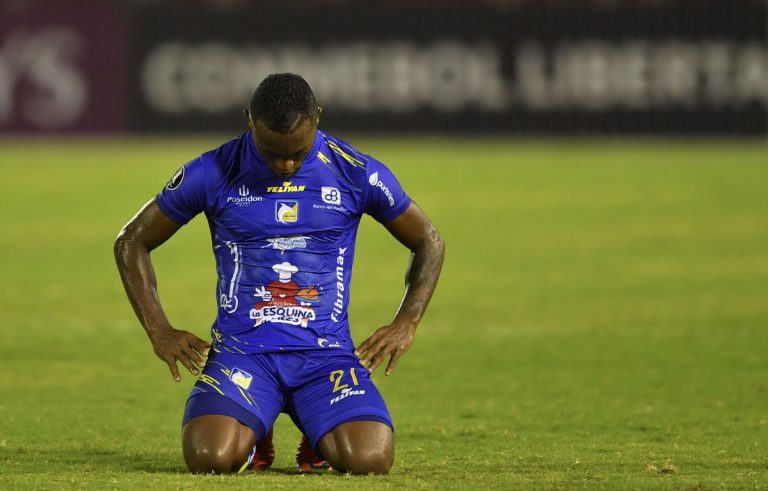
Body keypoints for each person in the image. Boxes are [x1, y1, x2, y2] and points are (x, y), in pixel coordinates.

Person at [114, 73, 445, 474]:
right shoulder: (213, 171)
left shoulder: (354, 172)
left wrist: (407, 321)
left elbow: (428, 239)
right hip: (243, 355)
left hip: (324, 357)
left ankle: (315, 434)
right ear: (249, 121)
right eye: (270, 152)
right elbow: (131, 241)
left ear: (317, 118)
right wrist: (159, 331)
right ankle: (258, 431)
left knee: (370, 460)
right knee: (210, 459)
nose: (285, 165)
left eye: (298, 153)